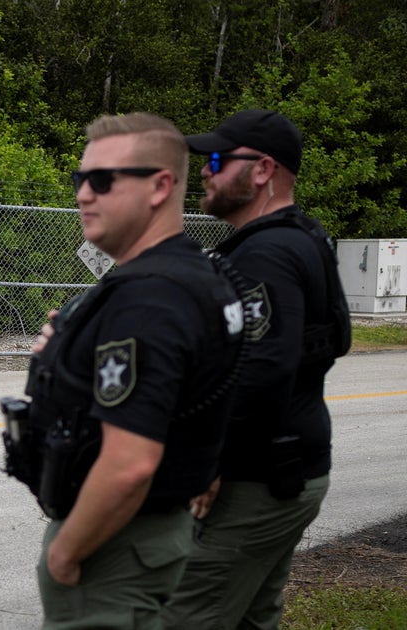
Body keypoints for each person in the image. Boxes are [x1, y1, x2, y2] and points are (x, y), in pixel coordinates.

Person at [18, 113, 243, 628]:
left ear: (161, 186)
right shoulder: (196, 273)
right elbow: (200, 395)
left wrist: (65, 554)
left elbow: (130, 465)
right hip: (151, 532)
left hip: (118, 544)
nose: (82, 195)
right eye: (79, 180)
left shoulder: (152, 298)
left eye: (101, 180)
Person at [165, 110, 351, 629]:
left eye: (219, 160)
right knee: (252, 617)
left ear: (264, 170)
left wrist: (207, 464)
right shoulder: (300, 238)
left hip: (256, 481)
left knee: (182, 616)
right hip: (290, 466)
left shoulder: (265, 255)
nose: (205, 170)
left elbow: (261, 373)